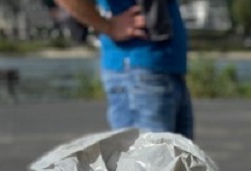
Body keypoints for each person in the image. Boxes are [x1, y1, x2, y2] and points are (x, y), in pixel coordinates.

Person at [53, 0, 192, 139]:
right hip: (137, 73)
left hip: (165, 70)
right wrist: (108, 27)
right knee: (146, 157)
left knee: (178, 158)